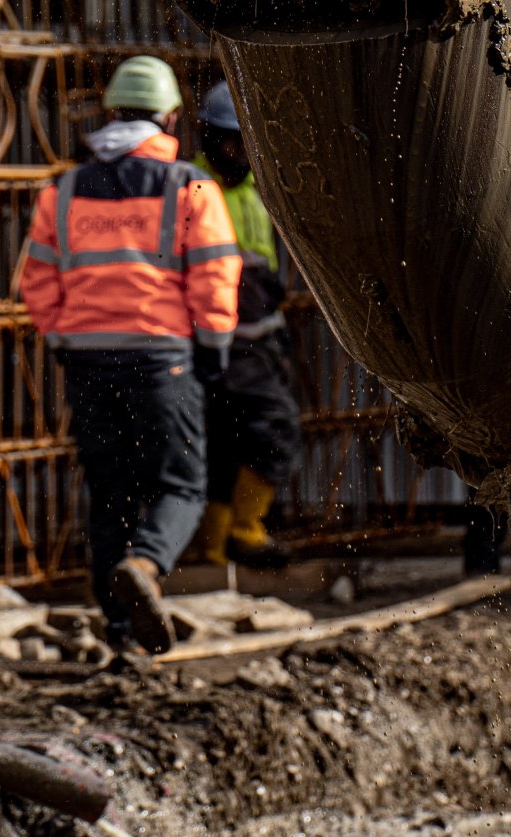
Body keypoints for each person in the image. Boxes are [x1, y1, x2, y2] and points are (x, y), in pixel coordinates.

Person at [20, 56, 241, 654]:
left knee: (110, 494)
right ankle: (145, 567)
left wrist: (67, 338)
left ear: (112, 112)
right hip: (161, 361)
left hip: (88, 366)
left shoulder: (62, 190)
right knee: (182, 486)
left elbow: (37, 283)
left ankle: (119, 634)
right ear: (169, 117)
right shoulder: (191, 186)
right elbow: (215, 278)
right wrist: (213, 351)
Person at [191, 81, 303, 569]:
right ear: (210, 138)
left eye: (245, 142)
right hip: (220, 344)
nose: (238, 152)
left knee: (229, 444)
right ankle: (242, 532)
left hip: (259, 343)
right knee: (275, 432)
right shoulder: (191, 187)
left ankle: (216, 552)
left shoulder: (257, 190)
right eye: (229, 141)